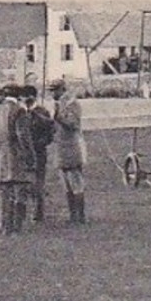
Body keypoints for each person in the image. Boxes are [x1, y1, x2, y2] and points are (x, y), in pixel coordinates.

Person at [0, 87, 37, 234]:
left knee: (4, 193)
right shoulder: (19, 111)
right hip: (17, 156)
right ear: (19, 96)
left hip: (2, 157)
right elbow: (23, 136)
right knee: (19, 193)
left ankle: (5, 226)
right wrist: (30, 156)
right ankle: (17, 227)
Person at [49, 78, 88, 224]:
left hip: (72, 147)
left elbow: (73, 124)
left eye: (54, 91)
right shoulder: (58, 104)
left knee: (75, 182)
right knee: (66, 184)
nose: (52, 94)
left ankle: (80, 216)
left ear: (61, 89)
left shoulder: (72, 104)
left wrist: (58, 118)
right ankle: (73, 216)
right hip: (61, 148)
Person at [21, 86, 56, 224]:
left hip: (39, 152)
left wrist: (41, 143)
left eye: (27, 97)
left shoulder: (42, 112)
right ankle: (23, 212)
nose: (25, 100)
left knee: (38, 183)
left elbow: (50, 132)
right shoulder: (21, 112)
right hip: (24, 153)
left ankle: (38, 213)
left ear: (33, 97)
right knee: (24, 183)